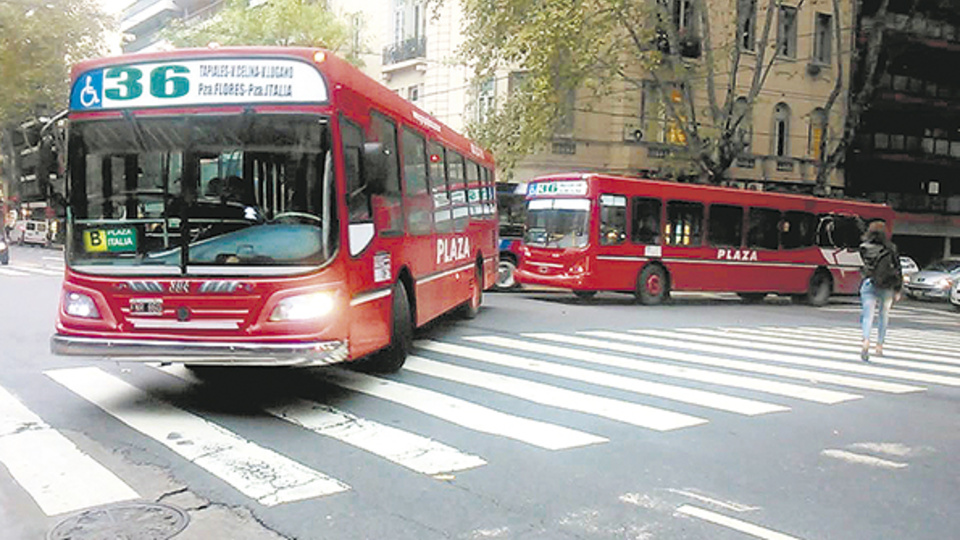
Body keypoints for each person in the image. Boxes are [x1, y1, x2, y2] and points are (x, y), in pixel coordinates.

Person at [858, 220, 903, 361]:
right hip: (887, 286)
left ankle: (865, 341)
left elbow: (861, 267)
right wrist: (898, 288)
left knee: (867, 316)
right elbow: (897, 268)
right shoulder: (891, 248)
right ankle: (879, 345)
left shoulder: (863, 247)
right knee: (884, 315)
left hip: (869, 283)